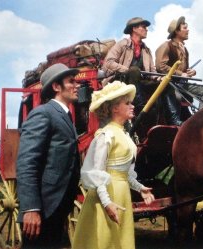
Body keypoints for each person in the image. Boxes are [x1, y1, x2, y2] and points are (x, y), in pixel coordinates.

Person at [72, 81, 155, 249]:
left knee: (119, 242)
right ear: (114, 108)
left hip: (122, 193)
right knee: (105, 241)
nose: (132, 106)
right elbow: (97, 172)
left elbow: (124, 172)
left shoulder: (123, 134)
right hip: (107, 195)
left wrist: (140, 188)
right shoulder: (106, 135)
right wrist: (107, 203)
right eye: (127, 103)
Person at [16, 63, 81, 248]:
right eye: (71, 81)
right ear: (55, 86)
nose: (77, 85)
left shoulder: (64, 116)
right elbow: (27, 162)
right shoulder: (43, 114)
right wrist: (31, 208)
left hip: (58, 207)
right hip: (44, 207)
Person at [102, 17, 183, 126]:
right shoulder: (122, 44)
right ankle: (142, 110)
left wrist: (160, 79)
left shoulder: (146, 49)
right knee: (134, 71)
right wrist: (127, 70)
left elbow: (152, 71)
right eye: (144, 27)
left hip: (140, 83)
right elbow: (108, 62)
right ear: (134, 28)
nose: (147, 29)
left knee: (165, 84)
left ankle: (174, 120)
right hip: (121, 82)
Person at [155, 16, 203, 111]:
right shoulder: (166, 46)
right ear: (177, 32)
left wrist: (191, 72)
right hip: (169, 85)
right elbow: (160, 66)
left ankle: (201, 119)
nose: (188, 30)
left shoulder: (185, 49)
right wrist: (180, 74)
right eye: (185, 28)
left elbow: (184, 70)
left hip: (182, 85)